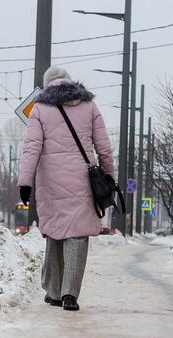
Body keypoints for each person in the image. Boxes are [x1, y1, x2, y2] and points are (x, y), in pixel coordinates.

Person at [17, 66, 115, 311]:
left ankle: (53, 291)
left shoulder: (39, 109)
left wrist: (25, 182)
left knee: (55, 233)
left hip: (51, 181)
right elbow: (104, 146)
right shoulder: (89, 105)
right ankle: (70, 294)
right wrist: (108, 175)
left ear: (47, 84)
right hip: (82, 179)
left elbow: (32, 148)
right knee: (77, 235)